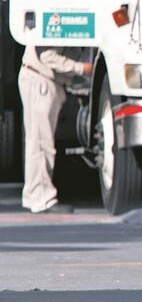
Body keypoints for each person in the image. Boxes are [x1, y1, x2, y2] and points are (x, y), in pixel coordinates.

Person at [19, 46, 92, 214]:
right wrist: (82, 68)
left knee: (36, 143)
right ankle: (42, 198)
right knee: (41, 145)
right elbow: (47, 56)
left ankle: (34, 194)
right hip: (41, 79)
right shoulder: (54, 23)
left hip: (40, 79)